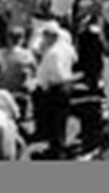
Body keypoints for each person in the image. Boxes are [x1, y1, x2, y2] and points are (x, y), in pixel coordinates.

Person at [33, 21, 78, 159]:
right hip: (65, 86)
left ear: (50, 36)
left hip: (56, 88)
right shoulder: (66, 47)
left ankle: (55, 152)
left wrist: (48, 85)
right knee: (60, 120)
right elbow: (75, 59)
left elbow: (58, 74)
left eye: (45, 35)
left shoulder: (53, 53)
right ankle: (58, 148)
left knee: (55, 122)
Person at [0, 28, 36, 121]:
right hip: (20, 87)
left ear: (8, 39)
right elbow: (34, 70)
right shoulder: (27, 55)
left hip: (4, 87)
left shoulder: (0, 53)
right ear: (22, 39)